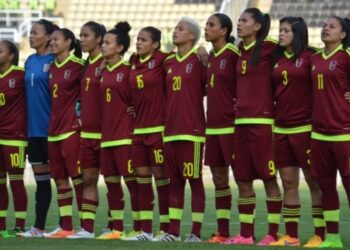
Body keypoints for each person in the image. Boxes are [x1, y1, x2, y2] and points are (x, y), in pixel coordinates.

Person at [224, 8, 282, 245]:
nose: (239, 24)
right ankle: (246, 235)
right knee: (242, 180)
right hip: (240, 124)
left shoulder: (271, 48)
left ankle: (272, 233)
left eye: (244, 21)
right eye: (238, 21)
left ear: (257, 26)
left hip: (263, 124)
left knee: (269, 179)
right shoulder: (238, 50)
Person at [269, 16, 325, 247]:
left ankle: (320, 234)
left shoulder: (312, 55)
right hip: (281, 129)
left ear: (298, 33)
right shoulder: (277, 59)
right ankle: (291, 235)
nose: (280, 34)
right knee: (289, 183)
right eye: (280, 30)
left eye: (286, 31)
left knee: (315, 183)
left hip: (306, 129)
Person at [159, 16, 206, 242]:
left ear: (192, 37)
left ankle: (195, 232)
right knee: (174, 183)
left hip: (192, 131)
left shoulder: (199, 60)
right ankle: (173, 232)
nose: (175, 31)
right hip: (170, 132)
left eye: (180, 29)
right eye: (175, 28)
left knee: (195, 181)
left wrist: (205, 52)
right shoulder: (167, 62)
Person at [310, 16, 350, 248]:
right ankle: (333, 238)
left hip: (344, 133)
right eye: (324, 25)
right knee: (325, 186)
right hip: (319, 134)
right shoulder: (314, 58)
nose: (326, 28)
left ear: (343, 35)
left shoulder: (346, 57)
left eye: (332, 26)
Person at [127, 26, 170, 241]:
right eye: (138, 39)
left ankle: (165, 228)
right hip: (138, 131)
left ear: (155, 44)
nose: (138, 42)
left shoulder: (164, 59)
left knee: (162, 179)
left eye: (144, 40)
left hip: (158, 130)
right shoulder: (132, 62)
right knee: (142, 180)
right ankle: (144, 230)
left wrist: (201, 52)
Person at [98, 21, 139, 240]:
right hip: (107, 137)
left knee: (133, 184)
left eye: (107, 43)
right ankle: (117, 229)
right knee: (112, 185)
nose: (103, 46)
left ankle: (139, 228)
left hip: (125, 137)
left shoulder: (128, 71)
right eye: (103, 42)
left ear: (120, 48)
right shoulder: (103, 71)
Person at [66, 21, 106, 239]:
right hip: (87, 133)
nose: (81, 38)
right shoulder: (85, 65)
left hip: (109, 134)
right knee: (89, 180)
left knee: (113, 181)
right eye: (80, 35)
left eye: (86, 35)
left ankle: (114, 226)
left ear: (99, 38)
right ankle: (87, 229)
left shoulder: (108, 62)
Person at [19, 19, 58, 238]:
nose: (30, 36)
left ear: (48, 36)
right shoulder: (30, 60)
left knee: (63, 181)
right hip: (33, 132)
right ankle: (38, 228)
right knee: (41, 183)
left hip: (54, 131)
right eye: (30, 33)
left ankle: (67, 226)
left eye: (35, 32)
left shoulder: (56, 60)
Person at [45, 27, 84, 238]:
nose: (52, 43)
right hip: (53, 130)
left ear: (68, 42)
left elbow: (89, 94)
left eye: (56, 40)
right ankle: (67, 227)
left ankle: (85, 226)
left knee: (78, 178)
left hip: (71, 130)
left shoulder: (79, 66)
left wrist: (81, 117)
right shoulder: (51, 67)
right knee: (59, 179)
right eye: (50, 40)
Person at [204, 13, 239, 243]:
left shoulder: (234, 55)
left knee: (243, 180)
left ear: (224, 30)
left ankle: (248, 232)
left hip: (232, 127)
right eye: (206, 24)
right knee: (219, 181)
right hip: (213, 128)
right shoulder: (208, 58)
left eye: (211, 25)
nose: (206, 28)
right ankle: (223, 232)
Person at [0, 40, 27, 238]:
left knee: (16, 182)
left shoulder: (20, 75)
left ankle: (19, 226)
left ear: (11, 55)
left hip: (15, 138)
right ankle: (1, 227)